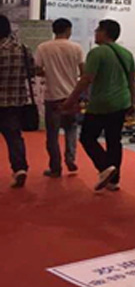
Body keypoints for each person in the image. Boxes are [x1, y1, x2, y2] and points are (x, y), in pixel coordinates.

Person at [62, 19, 135, 192]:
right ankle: (114, 181)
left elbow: (87, 79)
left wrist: (71, 100)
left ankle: (105, 167)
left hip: (101, 103)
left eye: (98, 30)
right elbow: (132, 80)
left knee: (87, 137)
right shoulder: (126, 54)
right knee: (114, 140)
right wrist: (133, 102)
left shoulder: (97, 53)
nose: (95, 33)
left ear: (105, 33)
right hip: (121, 102)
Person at [34, 18, 84, 178]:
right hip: (71, 95)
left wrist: (48, 73)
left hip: (52, 96)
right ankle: (70, 158)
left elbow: (37, 69)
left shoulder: (43, 47)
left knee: (52, 134)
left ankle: (55, 167)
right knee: (71, 128)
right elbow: (83, 71)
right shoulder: (76, 48)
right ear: (68, 30)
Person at [0, 15, 34, 188]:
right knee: (14, 136)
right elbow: (31, 71)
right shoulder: (22, 48)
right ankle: (19, 168)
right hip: (15, 101)